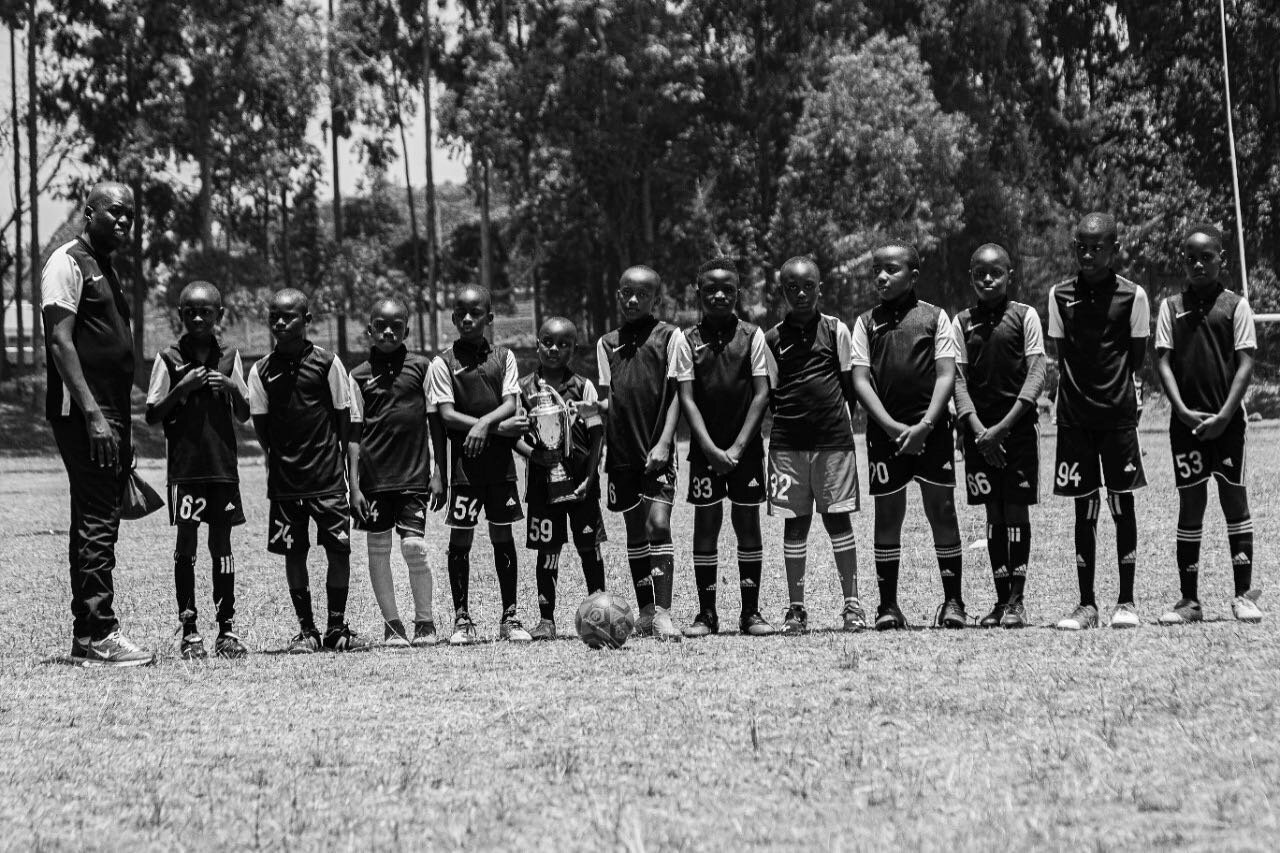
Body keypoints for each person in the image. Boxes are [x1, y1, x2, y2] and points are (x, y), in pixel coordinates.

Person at [41, 181, 154, 666]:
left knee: (100, 519)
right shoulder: (67, 261)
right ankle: (98, 634)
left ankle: (87, 635)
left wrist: (117, 423)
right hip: (84, 412)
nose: (124, 221)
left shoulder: (104, 268)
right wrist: (93, 416)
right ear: (89, 213)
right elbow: (60, 343)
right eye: (114, 212)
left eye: (129, 214)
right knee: (94, 520)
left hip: (108, 413)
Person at [247, 288, 370, 653]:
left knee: (339, 552)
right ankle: (307, 631)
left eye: (289, 316)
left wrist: (350, 480)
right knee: (293, 552)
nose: (281, 322)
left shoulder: (328, 364)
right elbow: (263, 429)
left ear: (307, 320)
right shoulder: (261, 371)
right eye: (275, 317)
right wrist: (283, 460)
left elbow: (344, 423)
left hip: (328, 480)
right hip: (286, 483)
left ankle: (335, 627)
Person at [851, 242, 966, 630]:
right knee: (887, 516)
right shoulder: (866, 323)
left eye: (891, 269)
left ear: (913, 276)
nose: (881, 276)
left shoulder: (935, 318)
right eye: (877, 270)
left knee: (943, 511)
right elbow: (861, 381)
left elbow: (947, 374)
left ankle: (953, 602)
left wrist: (925, 426)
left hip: (931, 432)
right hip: (887, 435)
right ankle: (888, 606)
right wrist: (891, 426)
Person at [1154, 225, 1262, 624]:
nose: (1198, 264)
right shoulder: (1170, 307)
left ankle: (1243, 594)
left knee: (1234, 499)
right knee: (1191, 503)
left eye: (1207, 257)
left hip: (1228, 424)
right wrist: (1181, 409)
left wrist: (1225, 414)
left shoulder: (1237, 306)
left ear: (1222, 261)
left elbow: (1246, 363)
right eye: (1190, 258)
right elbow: (1162, 360)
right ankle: (1188, 601)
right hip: (1186, 425)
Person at [1048, 213, 1150, 630]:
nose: (1088, 254)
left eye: (1097, 247)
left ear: (1115, 249)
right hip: (1075, 418)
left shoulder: (1134, 296)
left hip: (1117, 418)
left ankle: (1125, 602)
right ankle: (1086, 604)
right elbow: (1062, 353)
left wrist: (1117, 393)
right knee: (1083, 510)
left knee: (1122, 505)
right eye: (1081, 247)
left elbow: (1137, 357)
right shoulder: (1059, 295)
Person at [144, 281, 251, 658]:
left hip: (222, 470)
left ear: (219, 315)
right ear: (180, 316)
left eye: (206, 311)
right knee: (186, 545)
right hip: (186, 471)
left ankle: (227, 630)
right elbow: (152, 414)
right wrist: (182, 388)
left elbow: (244, 412)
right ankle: (190, 629)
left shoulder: (230, 359)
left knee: (221, 546)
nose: (198, 317)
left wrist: (231, 388)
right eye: (190, 312)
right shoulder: (169, 359)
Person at [427, 284, 532, 645]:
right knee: (462, 538)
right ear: (454, 317)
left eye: (476, 313)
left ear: (490, 318)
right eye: (461, 313)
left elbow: (511, 404)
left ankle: (510, 616)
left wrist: (488, 425)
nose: (468, 318)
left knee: (502, 535)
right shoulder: (442, 363)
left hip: (500, 467)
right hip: (465, 470)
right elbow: (446, 415)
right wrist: (497, 426)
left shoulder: (505, 358)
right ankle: (462, 619)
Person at [673, 259, 773, 637]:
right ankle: (706, 613)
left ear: (738, 294)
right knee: (706, 525)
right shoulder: (687, 340)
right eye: (711, 289)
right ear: (698, 294)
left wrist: (738, 446)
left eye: (727, 290)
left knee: (747, 524)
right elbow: (687, 398)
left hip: (744, 450)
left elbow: (762, 393)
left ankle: (751, 613)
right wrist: (712, 449)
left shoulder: (752, 336)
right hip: (705, 452)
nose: (719, 295)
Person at [764, 256, 863, 634]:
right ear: (783, 292)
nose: (801, 293)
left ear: (820, 288)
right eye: (792, 287)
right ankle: (796, 609)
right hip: (787, 445)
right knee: (795, 523)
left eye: (808, 286)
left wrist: (832, 422)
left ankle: (852, 606)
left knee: (837, 518)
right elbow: (772, 393)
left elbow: (848, 385)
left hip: (833, 443)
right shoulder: (771, 338)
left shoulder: (836, 330)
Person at [951, 245, 1046, 629]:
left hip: (1017, 432)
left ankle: (1018, 602)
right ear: (971, 276)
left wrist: (1003, 428)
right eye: (980, 273)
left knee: (1015, 511)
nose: (988, 279)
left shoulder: (1025, 316)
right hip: (979, 437)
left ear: (1010, 275)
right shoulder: (962, 322)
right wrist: (977, 430)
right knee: (993, 512)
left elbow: (1037, 374)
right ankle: (1000, 598)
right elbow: (957, 380)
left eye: (996, 273)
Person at [348, 298, 448, 647]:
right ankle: (392, 625)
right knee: (377, 549)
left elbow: (436, 423)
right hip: (374, 480)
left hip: (414, 476)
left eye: (396, 325)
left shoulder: (423, 367)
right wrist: (354, 486)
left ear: (407, 329)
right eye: (380, 325)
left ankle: (425, 622)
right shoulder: (357, 375)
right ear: (369, 330)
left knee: (414, 547)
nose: (388, 331)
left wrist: (440, 470)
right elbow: (354, 434)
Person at [596, 266, 685, 641]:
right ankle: (645, 611)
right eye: (626, 293)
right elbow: (607, 397)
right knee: (634, 529)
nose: (633, 300)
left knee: (658, 524)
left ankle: (663, 612)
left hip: (657, 449)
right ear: (618, 295)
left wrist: (665, 443)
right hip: (621, 452)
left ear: (655, 299)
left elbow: (679, 393)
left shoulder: (670, 337)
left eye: (642, 294)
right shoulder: (606, 343)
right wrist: (589, 413)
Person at [515, 317, 607, 640]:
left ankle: (601, 611)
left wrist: (592, 475)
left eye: (563, 344)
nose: (554, 349)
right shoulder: (524, 388)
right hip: (543, 487)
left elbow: (597, 434)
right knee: (548, 550)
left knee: (588, 547)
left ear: (574, 349)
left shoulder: (584, 387)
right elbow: (515, 435)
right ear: (537, 344)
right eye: (547, 342)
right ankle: (546, 619)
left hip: (581, 486)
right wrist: (533, 454)